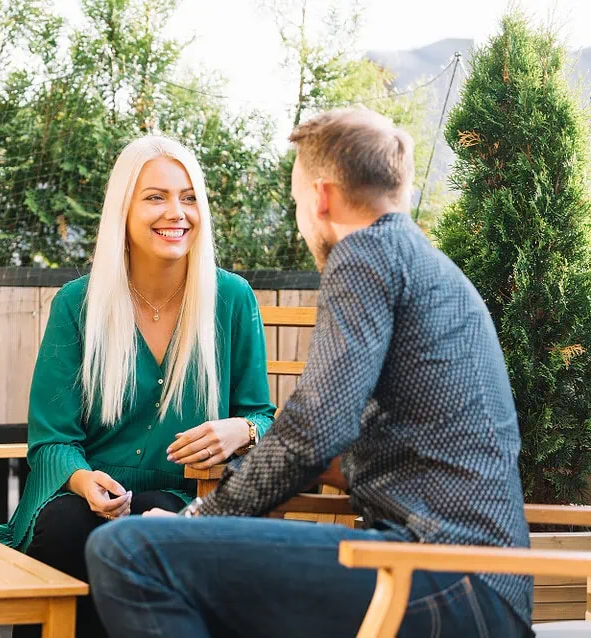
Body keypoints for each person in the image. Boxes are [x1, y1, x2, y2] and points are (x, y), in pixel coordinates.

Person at [84, 108, 534, 638]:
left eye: (297, 202)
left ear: (321, 198)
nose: (301, 218)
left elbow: (315, 430)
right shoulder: (424, 264)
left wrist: (196, 520)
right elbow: (353, 444)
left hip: (442, 574)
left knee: (127, 551)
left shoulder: (365, 255)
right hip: (477, 581)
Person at [0, 135, 277, 638]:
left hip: (184, 494)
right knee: (70, 527)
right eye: (155, 197)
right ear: (123, 208)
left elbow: (263, 416)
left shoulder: (232, 299)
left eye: (189, 197)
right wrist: (83, 481)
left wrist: (243, 431)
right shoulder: (77, 304)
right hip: (76, 493)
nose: (177, 212)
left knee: (149, 525)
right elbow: (52, 438)